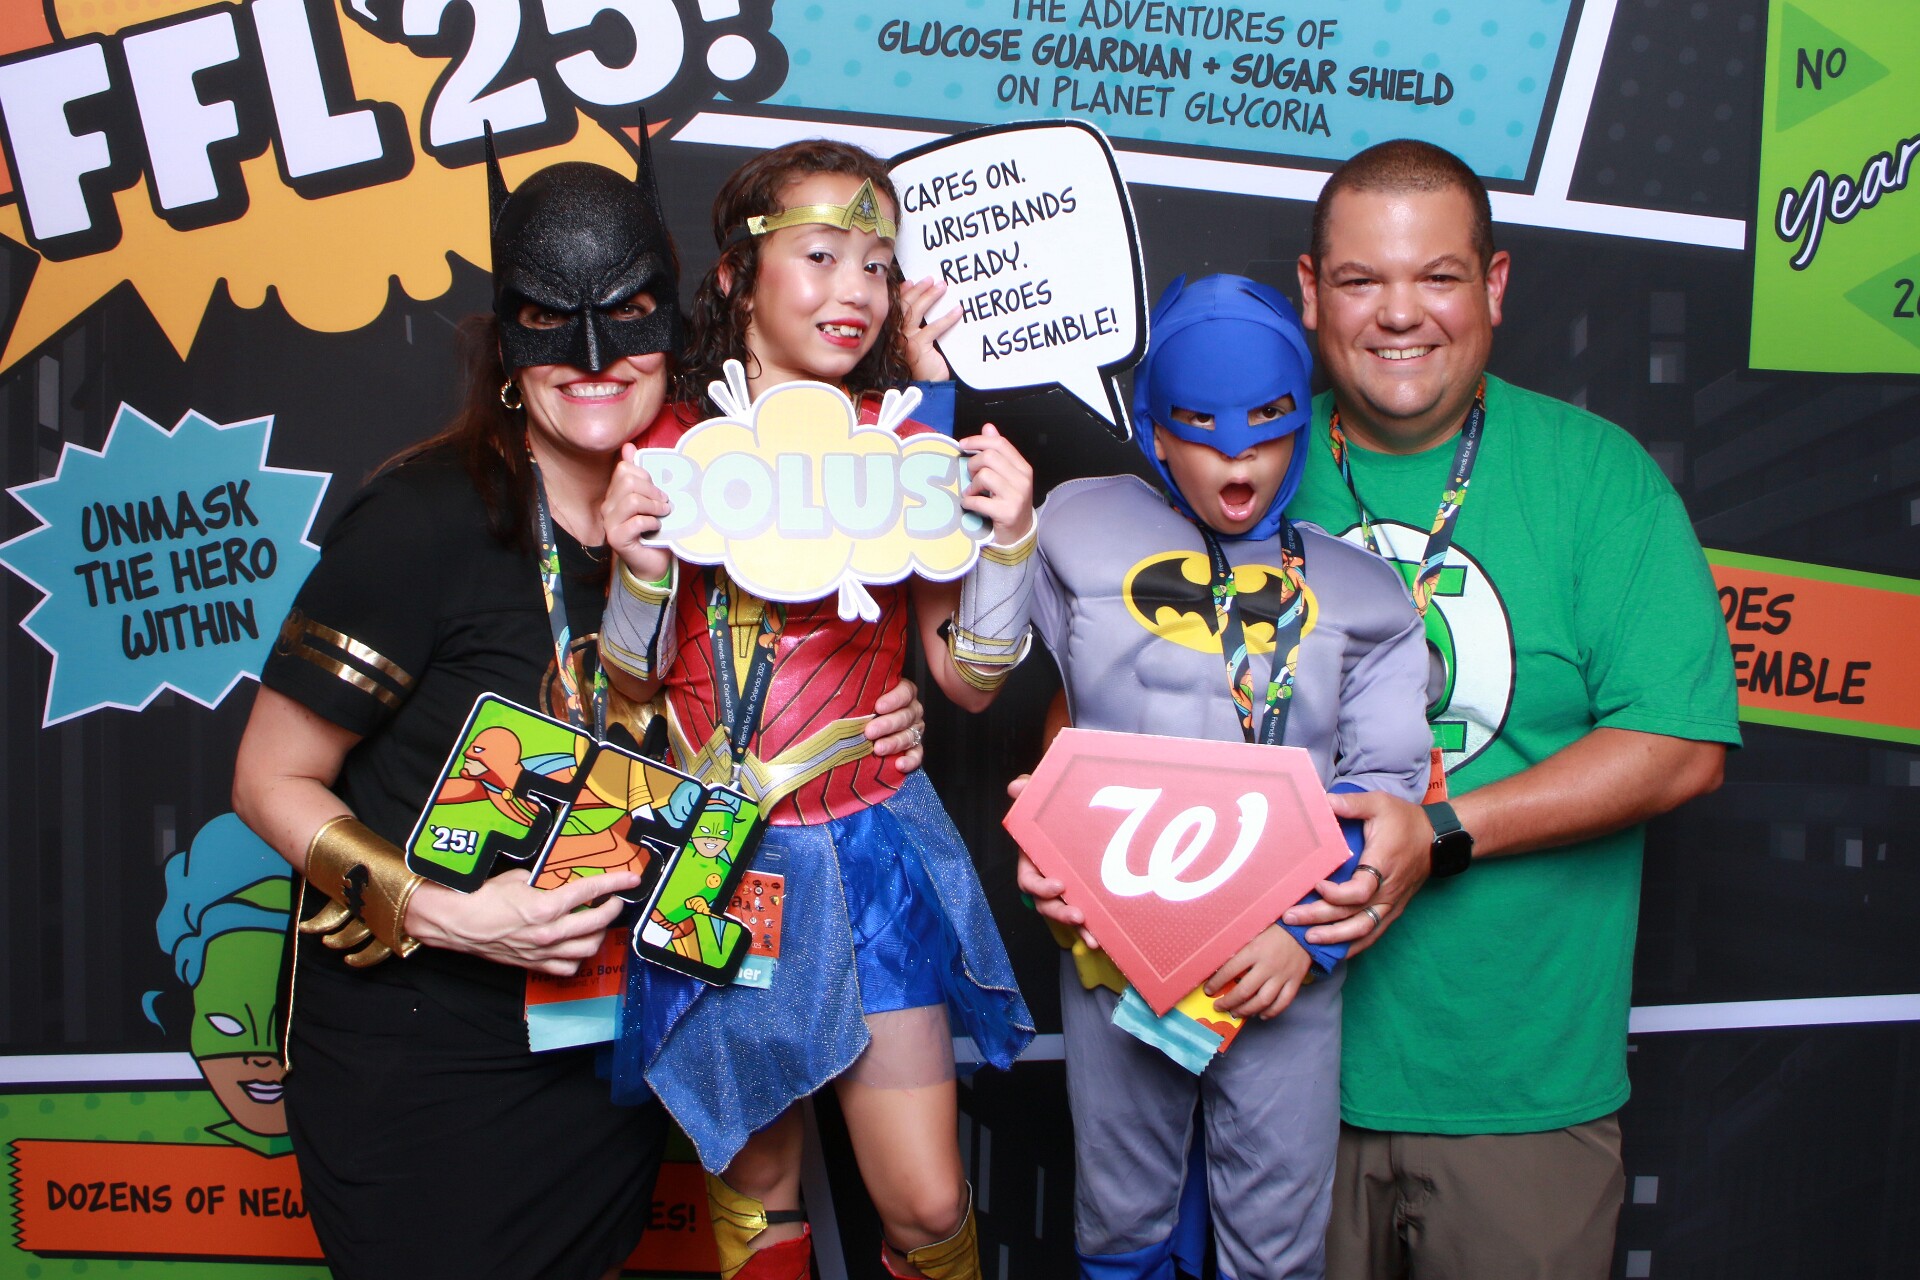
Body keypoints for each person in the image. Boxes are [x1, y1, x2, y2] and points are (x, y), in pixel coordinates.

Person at [229, 132, 929, 1280]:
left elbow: (793, 674)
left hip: (606, 1031)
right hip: (428, 1050)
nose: (596, 358)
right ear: (509, 339)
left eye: (630, 314)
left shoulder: (724, 509)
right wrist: (452, 915)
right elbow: (267, 779)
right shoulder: (422, 521)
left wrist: (881, 717)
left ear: (677, 321)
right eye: (554, 320)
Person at [1279, 139, 1740, 1279]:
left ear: (1493, 286)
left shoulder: (1596, 476)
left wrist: (1439, 833)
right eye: (1361, 280)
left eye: (1437, 276)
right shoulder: (1243, 467)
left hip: (1518, 1092)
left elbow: (1680, 744)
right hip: (1266, 1076)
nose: (1400, 314)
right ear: (1311, 291)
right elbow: (1105, 699)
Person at [599, 139, 1035, 1280]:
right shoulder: (669, 447)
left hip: (869, 847)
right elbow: (629, 685)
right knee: (757, 1197)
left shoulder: (904, 448)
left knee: (929, 1201)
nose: (856, 290)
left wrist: (1009, 546)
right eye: (823, 255)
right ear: (738, 275)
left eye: (877, 265)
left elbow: (969, 679)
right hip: (719, 857)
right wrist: (636, 571)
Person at [1013, 274, 1431, 1279]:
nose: (1237, 456)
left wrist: (1304, 942)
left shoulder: (1366, 596)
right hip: (1114, 932)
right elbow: (982, 668)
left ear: (1299, 422)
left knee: (1276, 1237)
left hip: (1279, 945)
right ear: (1156, 427)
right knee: (1120, 1217)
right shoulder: (1073, 527)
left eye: (1265, 425)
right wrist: (1046, 839)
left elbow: (1386, 795)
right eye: (1201, 425)